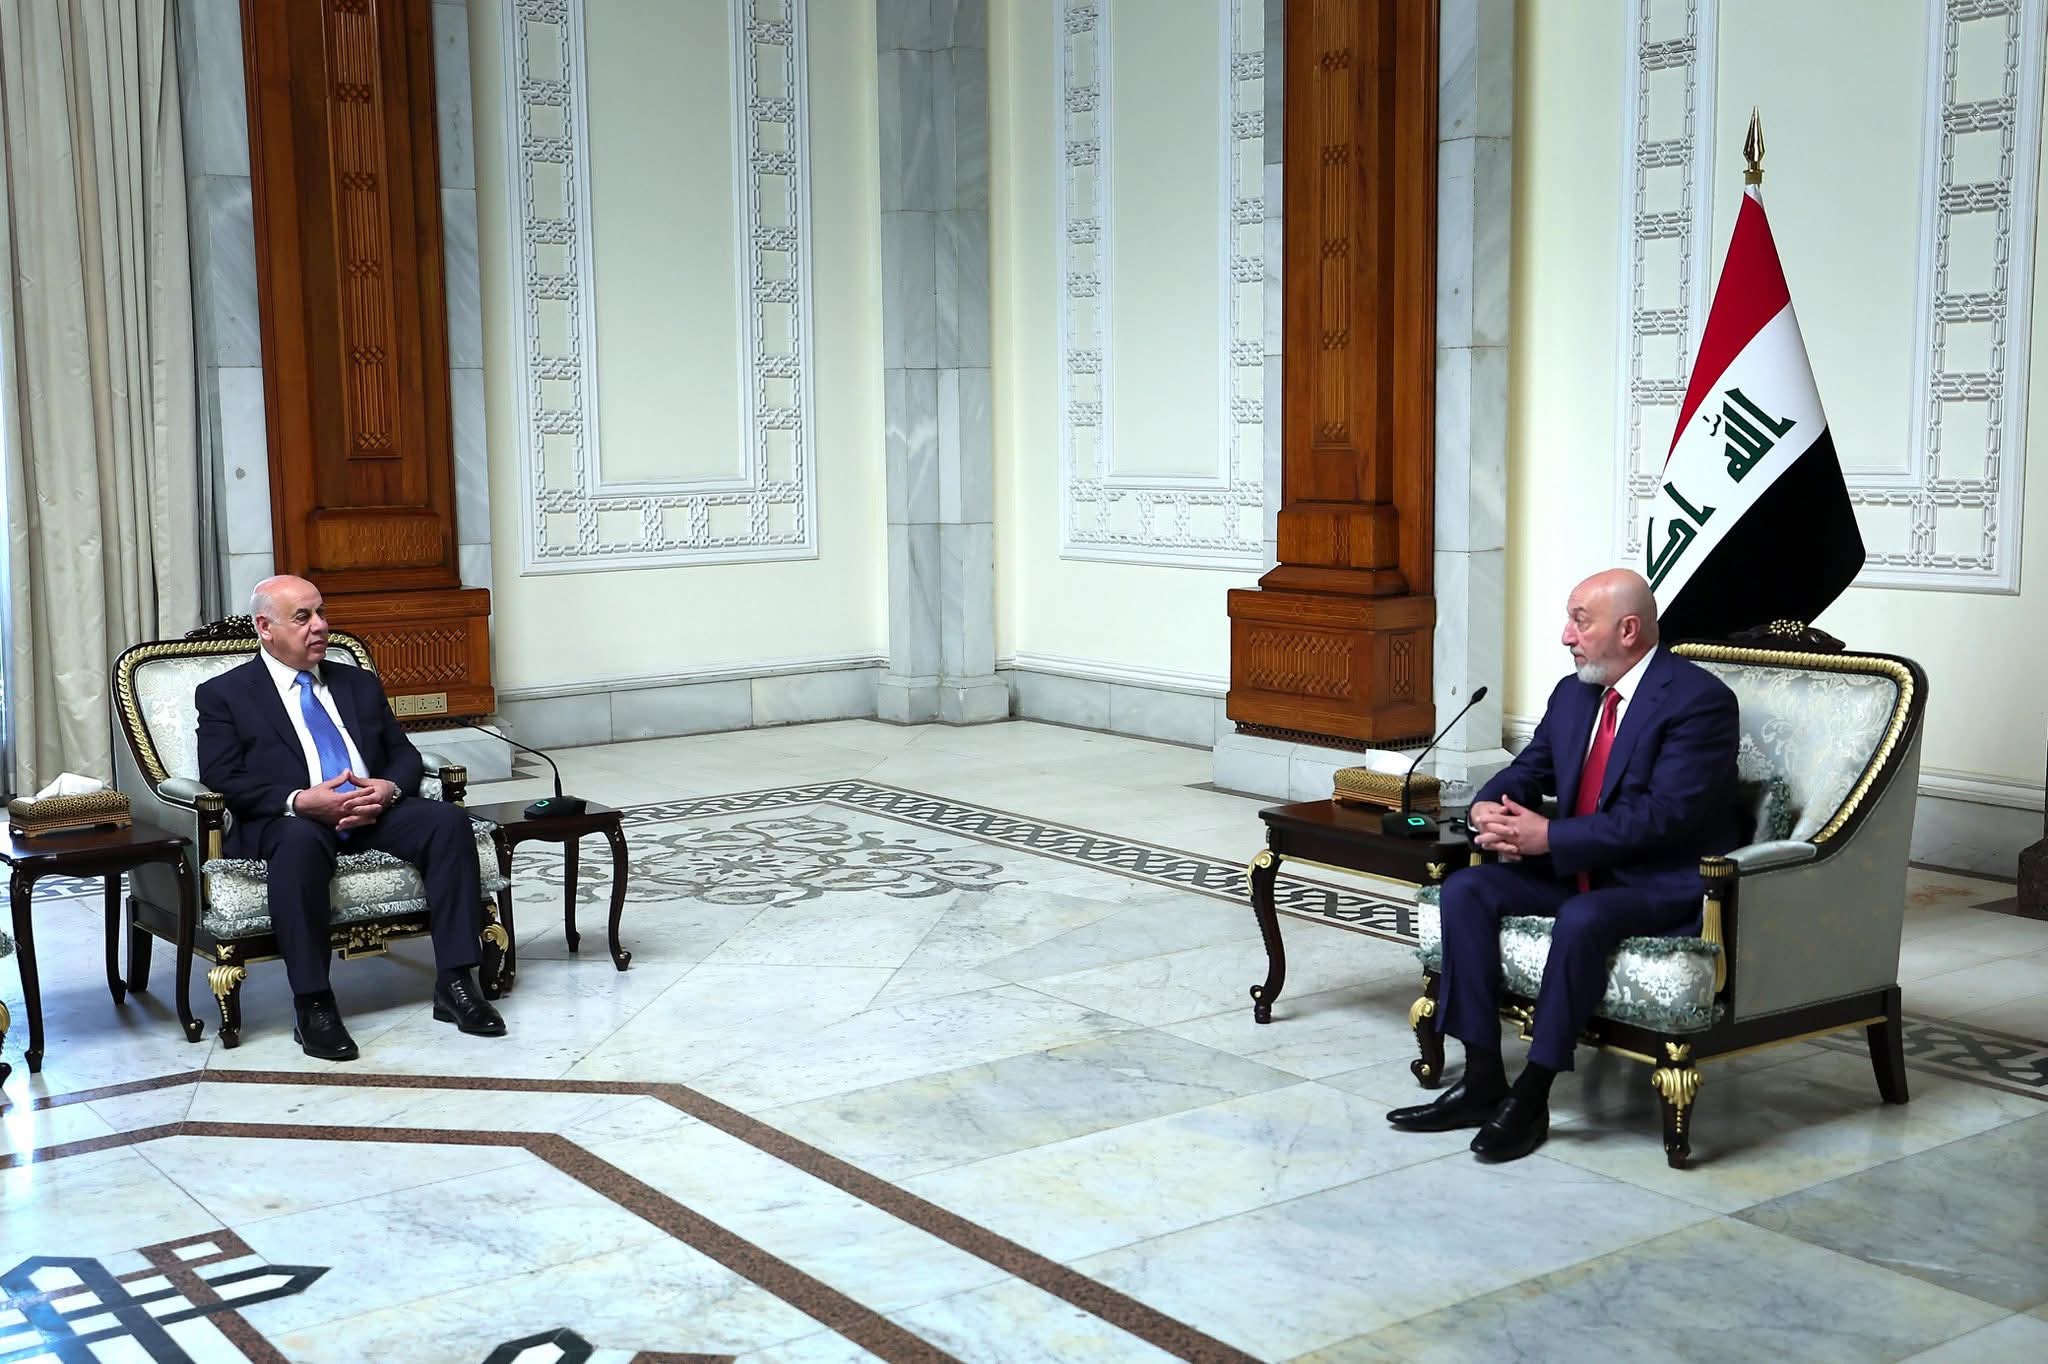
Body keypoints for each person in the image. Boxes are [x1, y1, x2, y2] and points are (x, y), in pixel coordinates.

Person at [1387, 568, 1740, 1161]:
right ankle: (1482, 1079)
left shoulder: (1699, 702)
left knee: (1583, 916)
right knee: (1467, 890)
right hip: (1582, 870)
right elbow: (1531, 769)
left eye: (1580, 621)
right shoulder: (1574, 693)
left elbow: (1664, 818)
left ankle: (1533, 1094)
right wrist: (1489, 809)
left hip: (1659, 881)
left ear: (1628, 630)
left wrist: (1549, 837)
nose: (1565, 636)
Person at [196, 575, 506, 1060]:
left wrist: (389, 787)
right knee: (298, 845)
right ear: (265, 627)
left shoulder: (356, 681)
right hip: (293, 819)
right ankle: (314, 1004)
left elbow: (402, 754)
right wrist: (300, 800)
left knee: (447, 824)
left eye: (321, 613)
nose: (320, 626)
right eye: (303, 617)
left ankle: (456, 983)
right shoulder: (225, 694)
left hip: (372, 810)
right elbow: (221, 775)